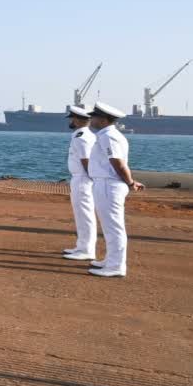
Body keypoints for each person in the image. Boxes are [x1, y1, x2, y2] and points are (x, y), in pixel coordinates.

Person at [86, 102, 144, 277]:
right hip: (106, 183)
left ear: (103, 119)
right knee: (109, 225)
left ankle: (116, 266)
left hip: (108, 184)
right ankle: (111, 260)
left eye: (94, 116)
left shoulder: (108, 136)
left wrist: (130, 182)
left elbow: (117, 162)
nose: (91, 119)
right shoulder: (108, 135)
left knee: (114, 227)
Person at [61, 106, 98, 261]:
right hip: (80, 178)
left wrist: (91, 180)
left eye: (73, 118)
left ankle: (87, 249)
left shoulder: (82, 137)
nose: (71, 120)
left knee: (85, 215)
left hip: (83, 179)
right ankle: (82, 246)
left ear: (78, 119)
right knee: (81, 214)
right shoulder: (82, 135)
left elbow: (86, 161)